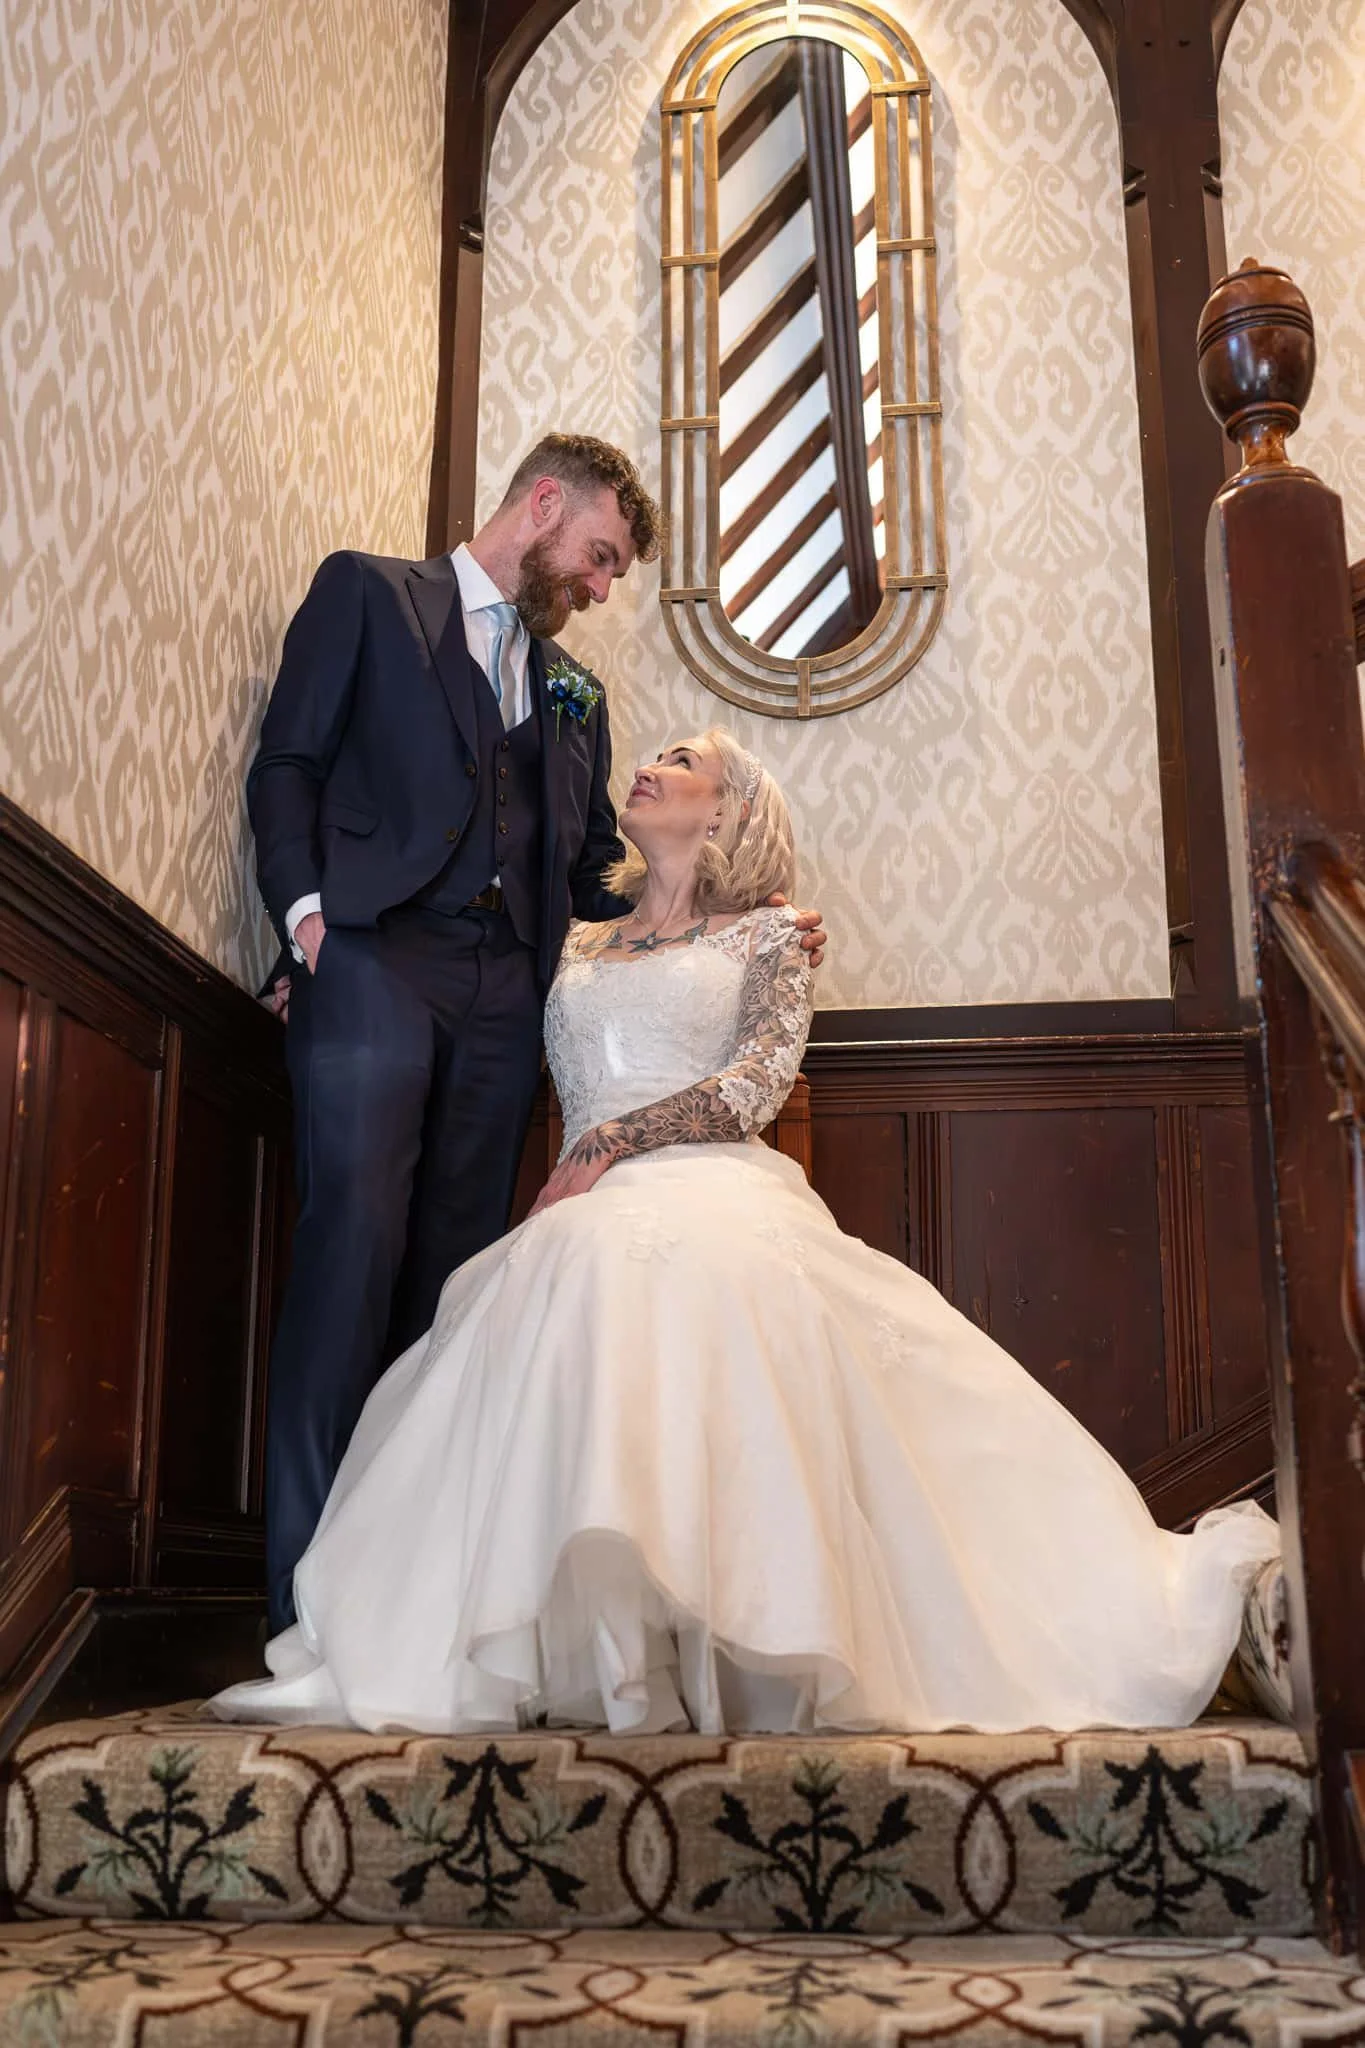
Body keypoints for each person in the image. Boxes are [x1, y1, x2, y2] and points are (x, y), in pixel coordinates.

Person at [214, 729, 1280, 1736]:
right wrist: (320, 977)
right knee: (562, 1271)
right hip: (579, 1205)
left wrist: (612, 1143)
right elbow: (451, 975)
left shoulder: (774, 932)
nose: (650, 767)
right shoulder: (573, 937)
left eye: (681, 763)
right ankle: (596, 1649)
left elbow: (759, 1082)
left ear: (726, 813)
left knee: (640, 1269)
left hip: (706, 1180)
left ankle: (721, 1634)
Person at [247, 431, 827, 1636]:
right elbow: (289, 761)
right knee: (350, 1241)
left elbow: (584, 873)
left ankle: (399, 1587)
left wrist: (740, 913)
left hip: (510, 999)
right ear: (545, 503)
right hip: (373, 959)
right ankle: (304, 1599)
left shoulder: (574, 693)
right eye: (601, 557)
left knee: (453, 1287)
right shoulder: (369, 591)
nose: (603, 587)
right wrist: (306, 921)